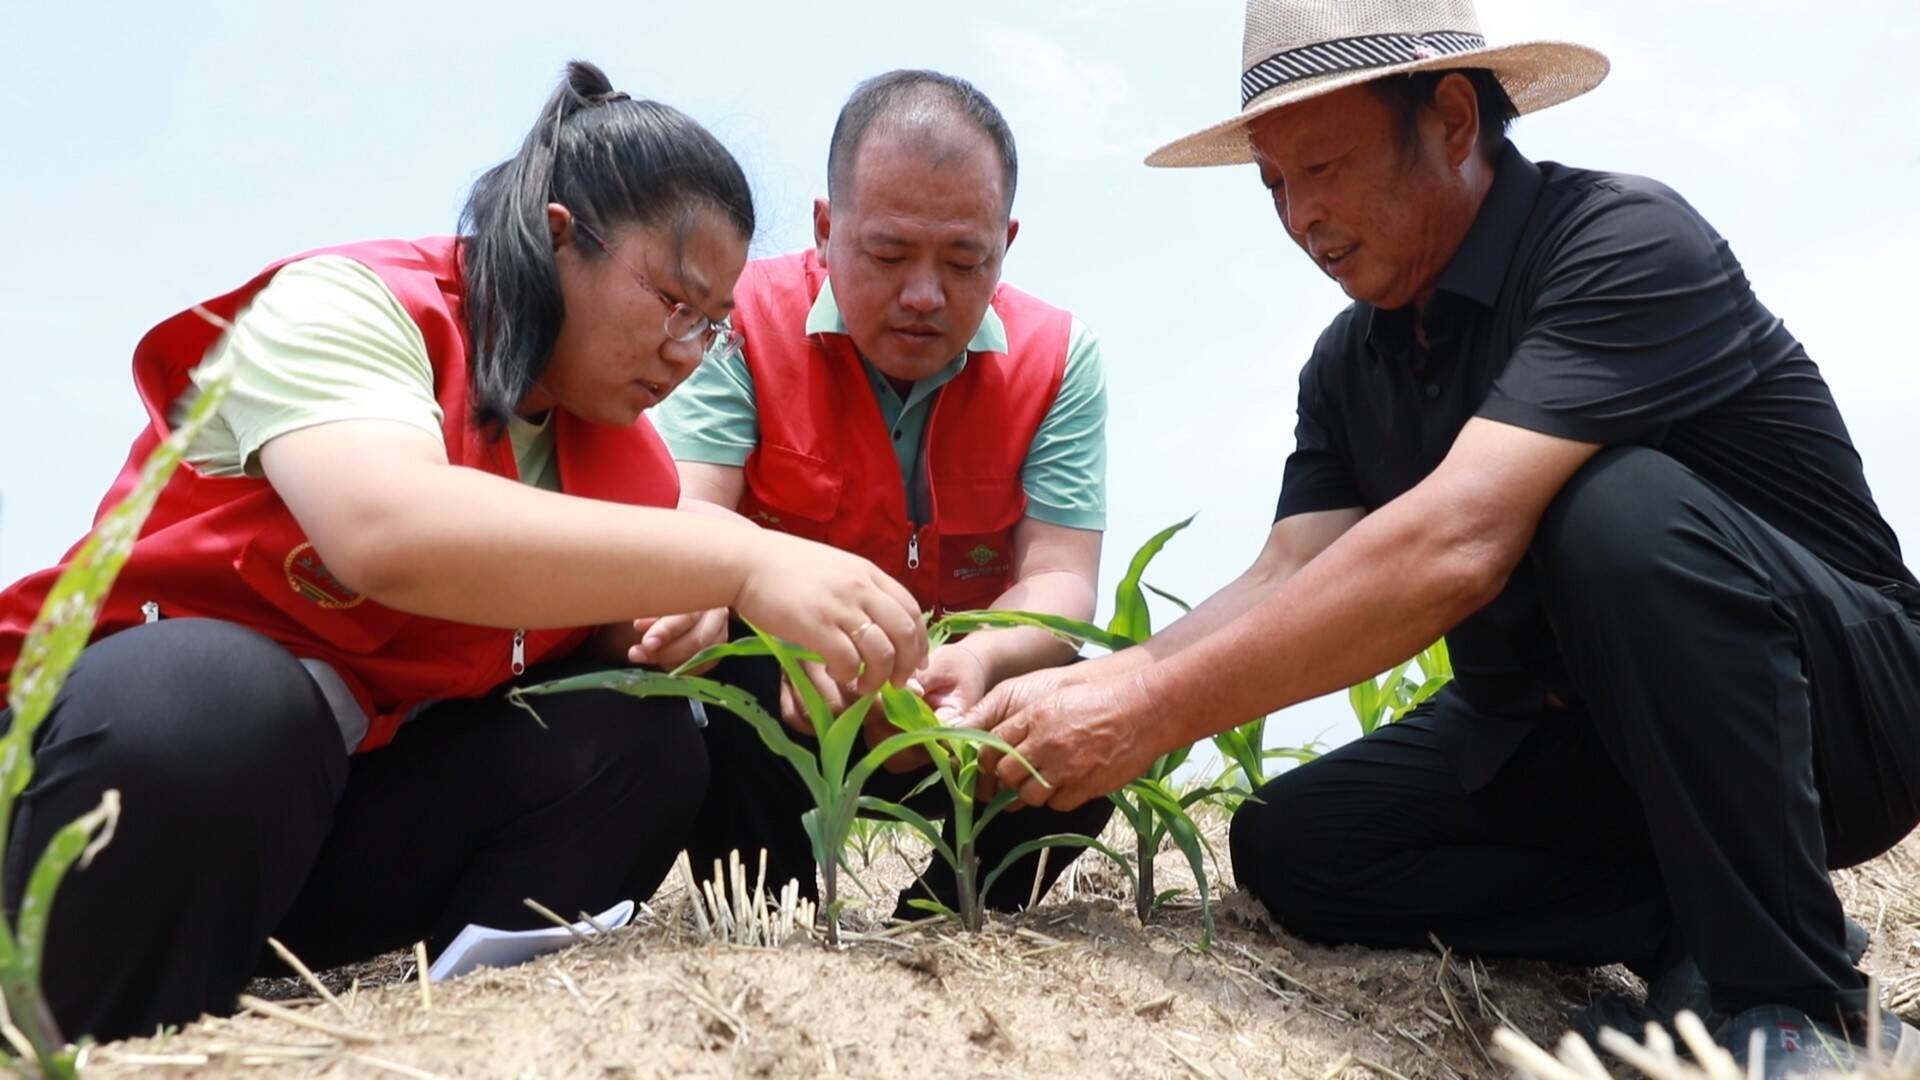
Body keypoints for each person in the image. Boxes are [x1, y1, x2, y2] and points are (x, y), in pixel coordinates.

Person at [964, 1, 1920, 1071]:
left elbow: (1457, 539)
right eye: (1275, 185)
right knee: (1298, 844)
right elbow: (1288, 569)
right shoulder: (1347, 366)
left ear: (1454, 120)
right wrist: (1102, 685)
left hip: (1836, 710)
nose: (1300, 217)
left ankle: (1799, 999)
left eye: (1323, 166)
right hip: (1576, 732)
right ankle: (1693, 927)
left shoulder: (1623, 242)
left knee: (1618, 509)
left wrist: (1146, 710)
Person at [0, 61, 927, 1044]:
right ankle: (76, 1027)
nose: (686, 351)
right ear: (560, 238)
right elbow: (387, 532)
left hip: (300, 835)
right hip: (113, 791)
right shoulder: (352, 311)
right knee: (223, 701)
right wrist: (734, 559)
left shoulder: (624, 464)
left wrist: (658, 628)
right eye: (670, 300)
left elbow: (597, 626)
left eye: (713, 326)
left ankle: (451, 1038)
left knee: (640, 741)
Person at [653, 70, 1113, 916]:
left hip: (954, 702)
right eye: (890, 254)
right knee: (705, 686)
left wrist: (971, 659)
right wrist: (799, 621)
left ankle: (946, 924)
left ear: (1006, 243)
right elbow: (690, 511)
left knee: (1099, 709)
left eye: (966, 260)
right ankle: (774, 917)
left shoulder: (1058, 360)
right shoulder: (743, 320)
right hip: (789, 697)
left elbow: (1061, 579)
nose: (925, 296)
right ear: (827, 230)